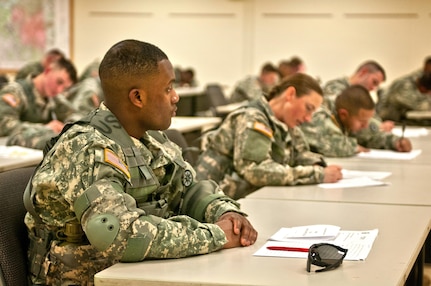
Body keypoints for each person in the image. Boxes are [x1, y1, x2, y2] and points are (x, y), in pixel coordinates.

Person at [24, 39, 258, 285]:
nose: (176, 97)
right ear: (137, 97)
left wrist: (226, 212)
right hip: (86, 278)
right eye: (168, 89)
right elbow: (119, 234)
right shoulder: (88, 148)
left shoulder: (150, 138)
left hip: (134, 273)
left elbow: (188, 190)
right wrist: (216, 235)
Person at [195, 73, 343, 200]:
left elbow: (299, 155)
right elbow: (256, 171)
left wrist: (317, 164)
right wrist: (317, 174)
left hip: (253, 199)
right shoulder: (252, 118)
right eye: (308, 108)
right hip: (218, 203)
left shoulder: (286, 122)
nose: (309, 118)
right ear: (290, 94)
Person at [300, 85, 412, 157]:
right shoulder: (319, 111)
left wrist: (395, 142)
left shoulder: (353, 115)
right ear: (344, 114)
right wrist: (354, 147)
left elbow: (370, 135)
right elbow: (324, 143)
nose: (365, 125)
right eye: (362, 122)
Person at [0, 57, 79, 149]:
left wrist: (67, 127)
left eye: (65, 88)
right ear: (48, 71)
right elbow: (5, 126)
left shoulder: (54, 98)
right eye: (59, 82)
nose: (59, 90)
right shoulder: (15, 92)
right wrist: (45, 128)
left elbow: (75, 115)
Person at [322, 60, 394, 132]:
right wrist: (378, 126)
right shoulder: (335, 87)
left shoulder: (362, 97)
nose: (373, 88)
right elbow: (346, 117)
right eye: (374, 82)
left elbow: (373, 118)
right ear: (363, 72)